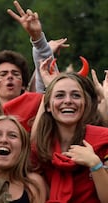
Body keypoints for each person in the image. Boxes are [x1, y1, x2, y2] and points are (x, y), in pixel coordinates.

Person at [31, 72, 108, 202]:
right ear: (48, 106)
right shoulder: (39, 148)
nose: (68, 101)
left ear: (84, 104)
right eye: (60, 95)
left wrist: (95, 165)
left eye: (76, 96)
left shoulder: (104, 139)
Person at [7, 0, 69, 93]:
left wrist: (40, 42)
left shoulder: (35, 105)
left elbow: (44, 85)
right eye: (3, 74)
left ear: (24, 85)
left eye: (16, 74)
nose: (10, 77)